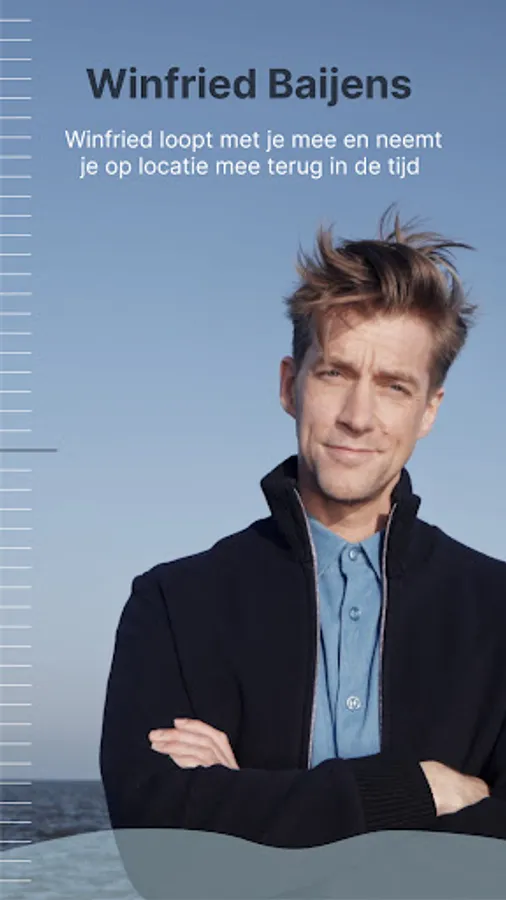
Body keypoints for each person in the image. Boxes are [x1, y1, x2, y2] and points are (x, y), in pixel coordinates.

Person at [99, 207, 506, 848]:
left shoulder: (498, 611)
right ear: (291, 385)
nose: (358, 416)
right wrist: (420, 790)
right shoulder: (174, 604)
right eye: (335, 373)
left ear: (429, 411)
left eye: (394, 386)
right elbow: (159, 840)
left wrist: (247, 800)